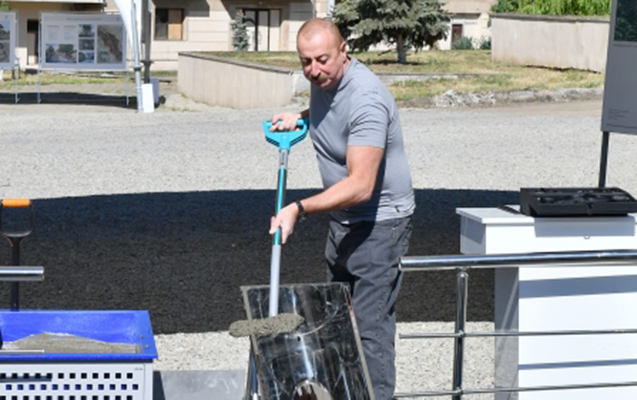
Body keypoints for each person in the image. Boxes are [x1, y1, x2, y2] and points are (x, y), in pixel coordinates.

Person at [269, 18, 415, 400]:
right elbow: (332, 111)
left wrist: (299, 208)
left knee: (369, 331)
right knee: (335, 323)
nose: (314, 70)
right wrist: (301, 117)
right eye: (305, 61)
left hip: (380, 225)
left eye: (322, 59)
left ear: (344, 51)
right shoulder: (324, 81)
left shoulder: (367, 99)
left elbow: (361, 185)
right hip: (344, 221)